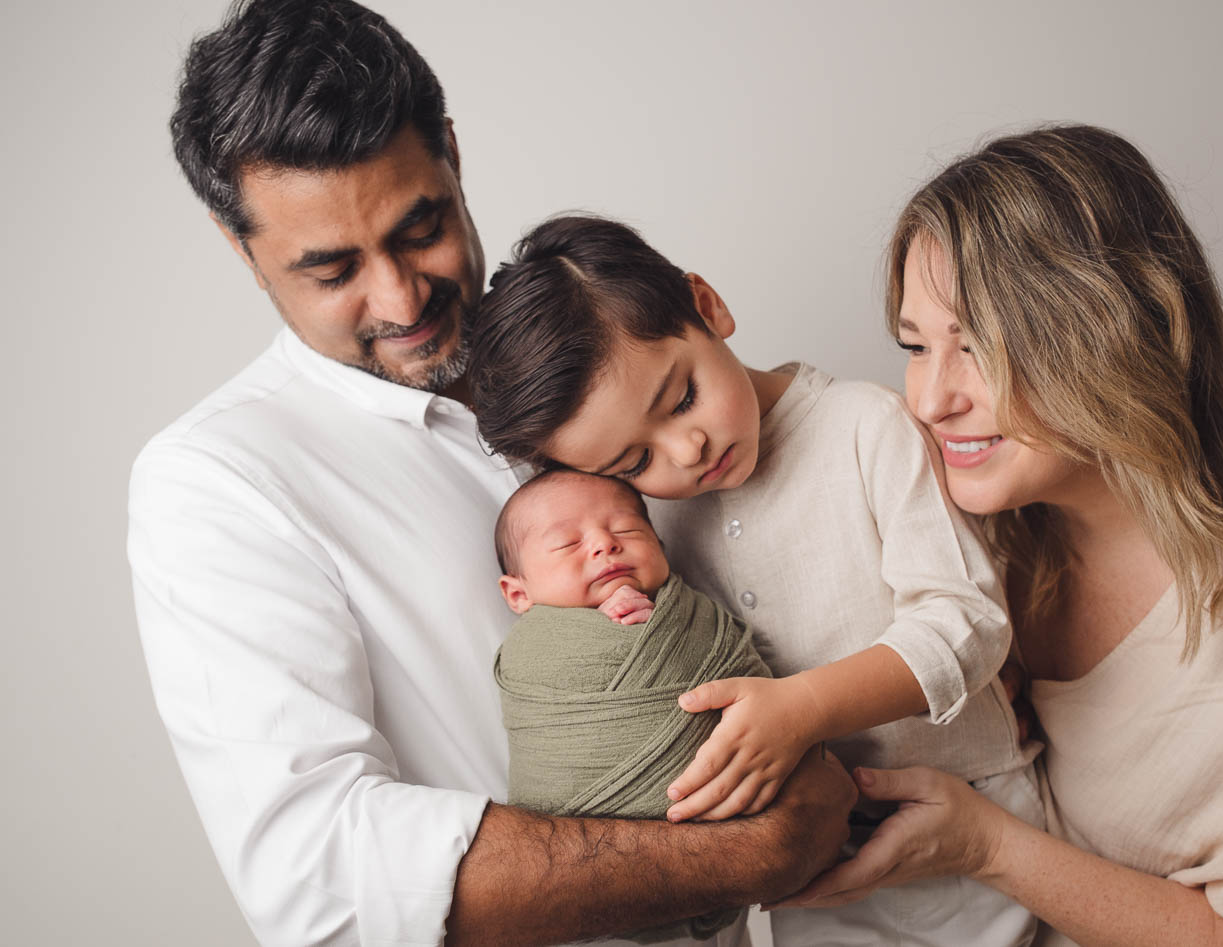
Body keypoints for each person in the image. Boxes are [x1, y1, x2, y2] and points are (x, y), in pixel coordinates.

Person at [127, 2, 854, 945]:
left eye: (418, 227)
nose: (400, 297)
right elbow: (321, 878)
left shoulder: (588, 367)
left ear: (454, 157)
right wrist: (754, 850)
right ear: (244, 251)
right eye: (332, 268)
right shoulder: (216, 484)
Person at [772, 124, 1223, 945]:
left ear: (1111, 331)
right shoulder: (982, 538)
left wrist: (987, 843)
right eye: (914, 345)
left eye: (977, 347)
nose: (931, 400)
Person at [469, 214, 1043, 946]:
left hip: (970, 827)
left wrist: (802, 707)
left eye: (680, 398)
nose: (686, 449)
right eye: (633, 464)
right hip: (818, 871)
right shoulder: (653, 528)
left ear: (706, 306)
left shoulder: (862, 427)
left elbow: (967, 619)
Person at [493, 469, 773, 941]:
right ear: (518, 594)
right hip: (588, 865)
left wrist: (652, 628)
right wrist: (608, 638)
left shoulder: (694, 616)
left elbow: (757, 692)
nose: (605, 544)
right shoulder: (531, 651)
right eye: (567, 543)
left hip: (722, 851)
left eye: (627, 530)